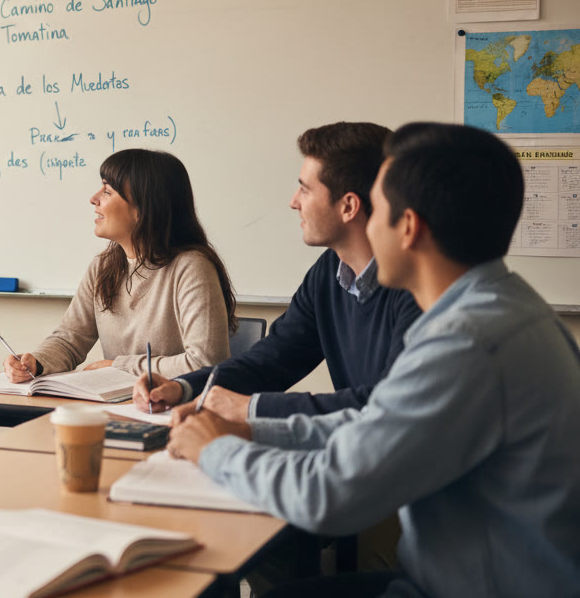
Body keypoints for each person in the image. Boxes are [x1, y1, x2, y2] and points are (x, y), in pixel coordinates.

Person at [169, 122, 580, 598]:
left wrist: (215, 450)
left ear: (408, 228)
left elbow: (327, 495)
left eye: (377, 209)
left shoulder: (464, 342)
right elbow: (379, 425)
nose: (367, 225)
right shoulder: (499, 304)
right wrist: (254, 429)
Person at [137, 122, 421, 422]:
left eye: (305, 189)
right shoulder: (330, 270)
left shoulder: (418, 287)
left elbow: (386, 404)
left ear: (348, 206)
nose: (293, 202)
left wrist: (250, 409)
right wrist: (183, 387)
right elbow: (272, 360)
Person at [2, 149, 234, 384]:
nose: (94, 198)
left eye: (107, 190)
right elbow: (70, 339)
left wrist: (119, 366)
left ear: (141, 209)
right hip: (117, 405)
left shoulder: (192, 268)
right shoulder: (103, 267)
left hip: (171, 410)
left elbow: (206, 363)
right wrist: (36, 362)